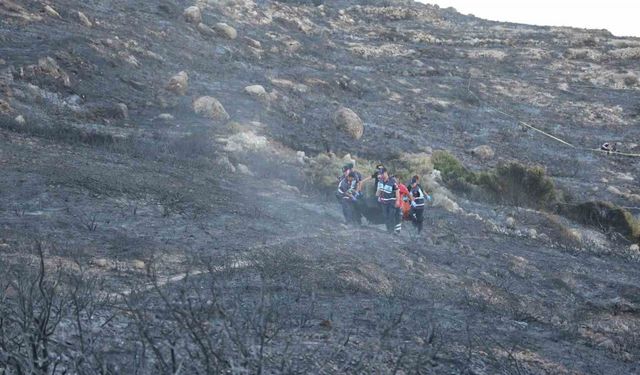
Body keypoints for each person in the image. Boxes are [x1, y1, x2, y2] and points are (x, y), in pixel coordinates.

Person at [376, 168, 402, 234]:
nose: (381, 175)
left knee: (391, 216)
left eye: (382, 173)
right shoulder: (380, 181)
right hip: (384, 202)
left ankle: (391, 230)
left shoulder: (392, 181)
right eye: (380, 174)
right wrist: (378, 195)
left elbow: (397, 191)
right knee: (385, 216)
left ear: (386, 172)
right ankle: (388, 229)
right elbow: (378, 192)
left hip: (391, 202)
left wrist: (397, 201)